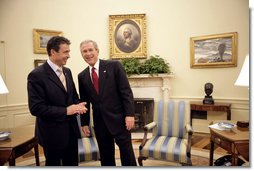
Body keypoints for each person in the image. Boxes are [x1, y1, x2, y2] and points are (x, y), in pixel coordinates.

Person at [27, 36, 87, 166]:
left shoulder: (68, 71)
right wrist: (66, 111)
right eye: (66, 52)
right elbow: (36, 108)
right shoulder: (36, 75)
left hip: (71, 132)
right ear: (53, 52)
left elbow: (73, 96)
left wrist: (78, 105)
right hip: (52, 135)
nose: (69, 55)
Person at [78, 40, 137, 166]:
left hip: (120, 120)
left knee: (127, 154)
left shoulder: (114, 66)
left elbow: (126, 92)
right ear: (81, 54)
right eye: (84, 51)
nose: (88, 54)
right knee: (106, 156)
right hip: (100, 123)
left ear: (97, 51)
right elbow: (84, 102)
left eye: (90, 50)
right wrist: (84, 123)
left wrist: (130, 114)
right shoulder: (82, 76)